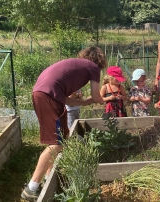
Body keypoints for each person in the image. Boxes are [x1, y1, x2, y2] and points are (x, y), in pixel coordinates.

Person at [21, 47, 107, 201]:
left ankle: (48, 179)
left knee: (59, 139)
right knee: (57, 143)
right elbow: (96, 95)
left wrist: (84, 103)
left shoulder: (76, 65)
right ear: (99, 61)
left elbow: (65, 99)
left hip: (43, 94)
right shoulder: (93, 67)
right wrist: (101, 100)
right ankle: (31, 188)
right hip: (49, 96)